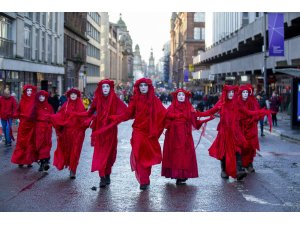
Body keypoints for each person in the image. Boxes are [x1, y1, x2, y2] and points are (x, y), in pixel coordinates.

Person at [109, 78, 167, 190]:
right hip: (138, 131)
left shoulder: (155, 100)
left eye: (145, 85)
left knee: (148, 157)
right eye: (141, 85)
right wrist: (114, 118)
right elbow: (128, 114)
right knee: (139, 155)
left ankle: (145, 177)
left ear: (149, 87)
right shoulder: (134, 99)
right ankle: (144, 181)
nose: (143, 87)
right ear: (138, 87)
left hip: (150, 134)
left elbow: (164, 114)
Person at [76, 79, 127, 188]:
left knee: (109, 154)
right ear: (100, 88)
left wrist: (115, 118)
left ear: (110, 88)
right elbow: (89, 112)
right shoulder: (96, 100)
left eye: (107, 87)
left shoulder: (115, 99)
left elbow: (125, 112)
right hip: (99, 131)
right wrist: (79, 116)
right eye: (103, 87)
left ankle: (107, 173)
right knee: (100, 154)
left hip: (111, 131)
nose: (105, 89)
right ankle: (102, 177)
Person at [161, 89, 213, 184]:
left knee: (184, 155)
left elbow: (196, 120)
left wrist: (207, 119)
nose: (181, 96)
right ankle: (177, 175)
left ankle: (182, 175)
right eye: (179, 95)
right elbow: (164, 119)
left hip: (185, 136)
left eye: (183, 95)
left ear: (186, 97)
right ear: (176, 97)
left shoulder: (190, 108)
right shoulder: (171, 107)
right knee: (176, 155)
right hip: (173, 136)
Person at [197, 85, 248, 180]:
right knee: (223, 151)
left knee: (237, 150)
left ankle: (239, 169)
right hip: (224, 131)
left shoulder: (237, 103)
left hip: (235, 132)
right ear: (226, 93)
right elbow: (210, 111)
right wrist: (198, 114)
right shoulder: (221, 102)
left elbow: (246, 113)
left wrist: (260, 112)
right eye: (229, 92)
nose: (231, 94)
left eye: (233, 92)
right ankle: (224, 170)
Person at [52, 88, 88, 179]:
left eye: (75, 94)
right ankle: (69, 165)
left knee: (75, 151)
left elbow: (84, 117)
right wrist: (52, 118)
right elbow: (60, 115)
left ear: (77, 95)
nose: (73, 95)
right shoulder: (65, 105)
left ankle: (73, 170)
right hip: (67, 134)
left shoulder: (81, 105)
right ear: (69, 95)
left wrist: (85, 124)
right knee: (67, 151)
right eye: (71, 94)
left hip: (77, 134)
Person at [11, 85, 37, 168]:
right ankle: (20, 160)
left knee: (29, 143)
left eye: (30, 90)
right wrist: (16, 116)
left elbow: (38, 111)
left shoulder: (35, 101)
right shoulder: (22, 100)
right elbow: (17, 110)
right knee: (21, 143)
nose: (29, 92)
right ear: (25, 91)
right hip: (23, 125)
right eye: (27, 90)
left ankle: (28, 160)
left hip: (31, 125)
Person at [30, 90, 54, 172]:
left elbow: (52, 117)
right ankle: (42, 162)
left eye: (43, 96)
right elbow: (31, 118)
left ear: (45, 97)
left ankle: (45, 161)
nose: (41, 97)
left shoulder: (49, 107)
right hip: (38, 128)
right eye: (40, 96)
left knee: (46, 145)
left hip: (47, 128)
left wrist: (50, 125)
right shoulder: (35, 106)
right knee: (39, 145)